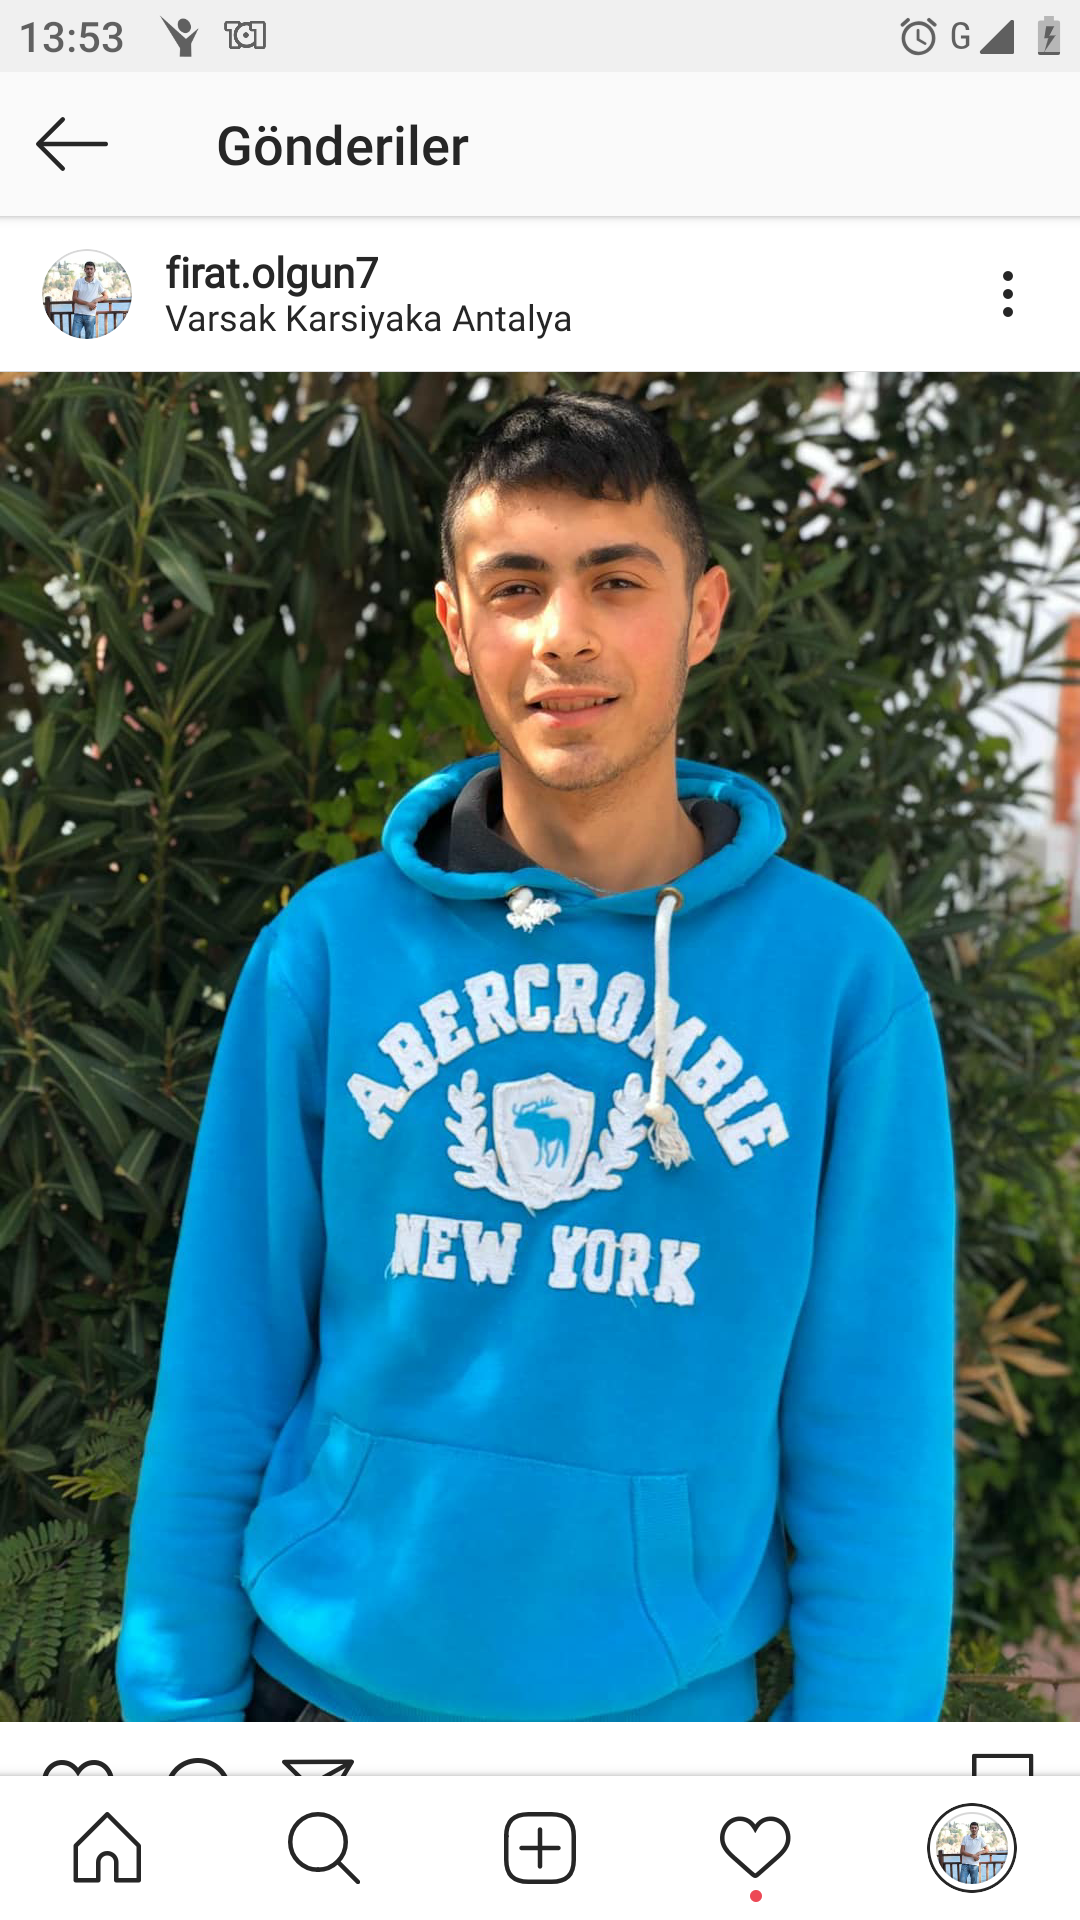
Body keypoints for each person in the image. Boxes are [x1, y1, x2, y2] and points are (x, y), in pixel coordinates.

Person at [115, 391, 957, 1724]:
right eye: (516, 587)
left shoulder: (839, 981)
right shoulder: (329, 953)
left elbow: (876, 1423)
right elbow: (226, 1357)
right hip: (319, 1708)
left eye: (617, 581)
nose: (564, 633)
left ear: (703, 613)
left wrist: (854, 1781)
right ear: (459, 627)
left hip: (654, 1739)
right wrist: (178, 1727)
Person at [70, 260, 106, 340]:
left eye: (91, 269)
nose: (89, 270)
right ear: (84, 270)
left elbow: (105, 296)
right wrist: (88, 304)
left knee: (89, 338)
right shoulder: (79, 282)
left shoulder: (98, 283)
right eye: (87, 269)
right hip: (78, 315)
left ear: (94, 270)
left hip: (90, 316)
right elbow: (74, 298)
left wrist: (96, 300)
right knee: (74, 336)